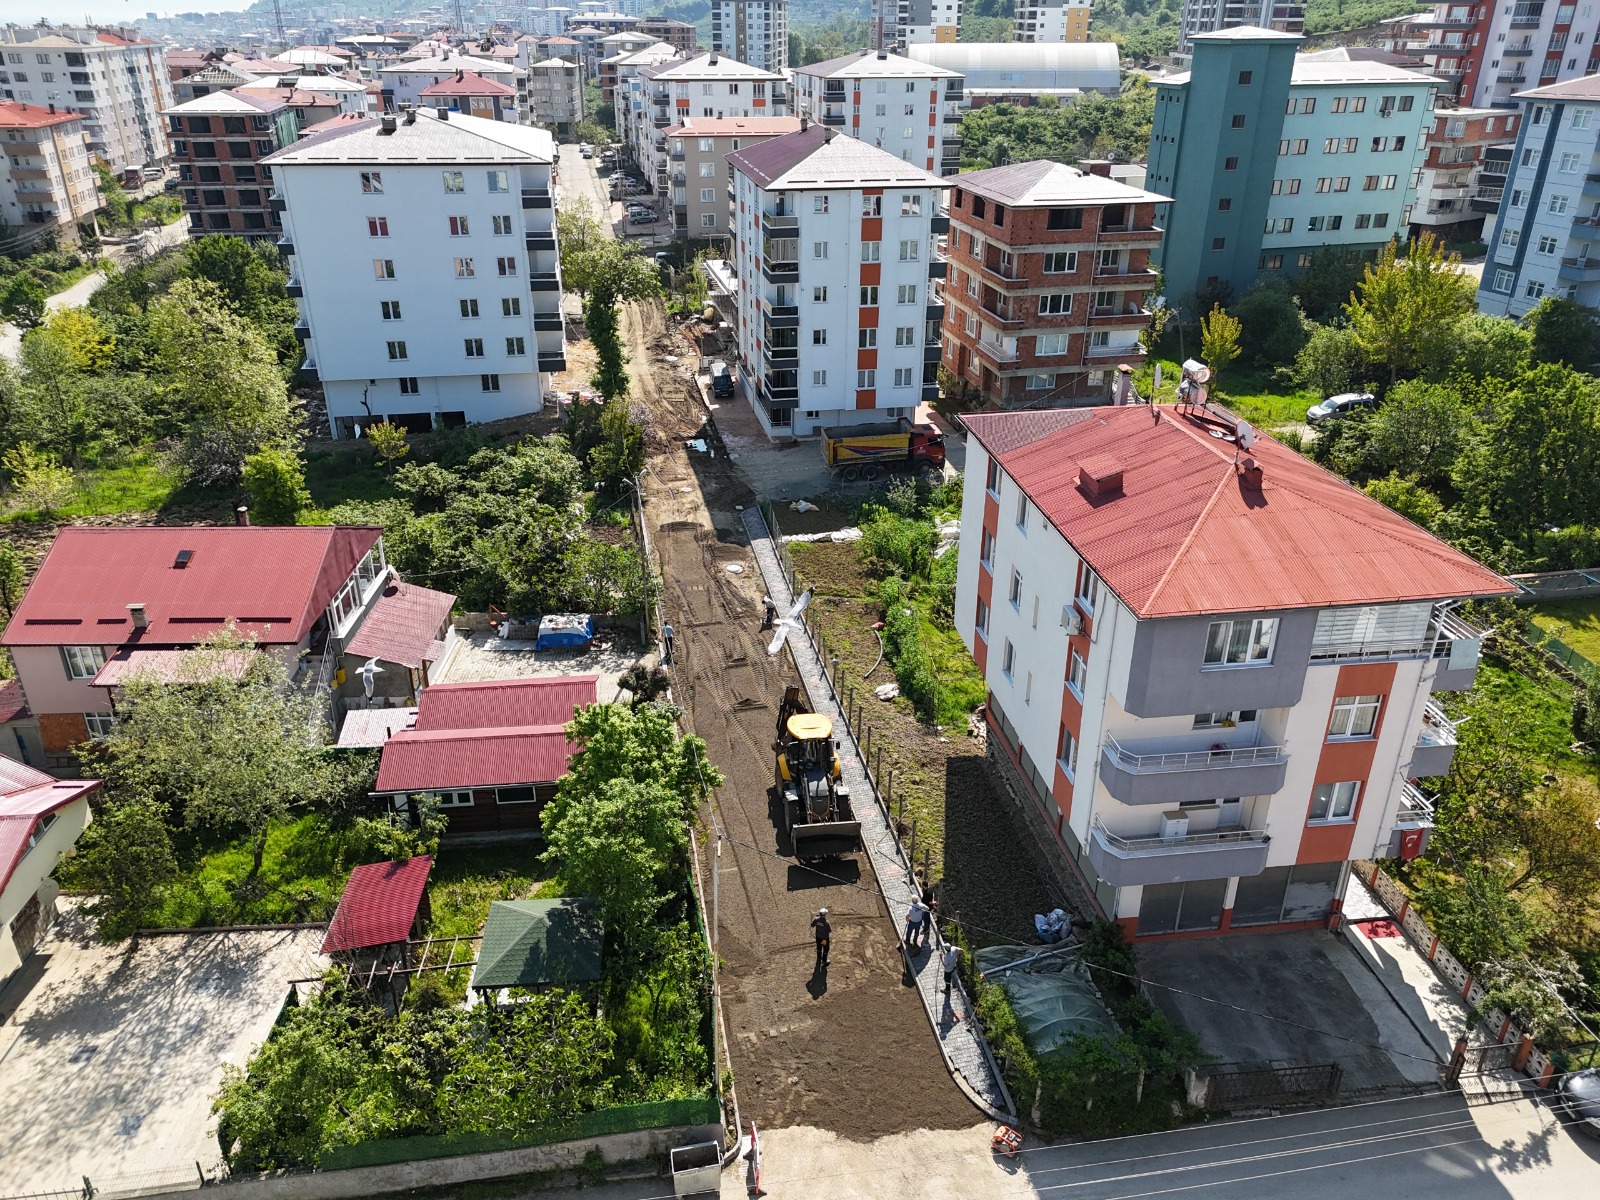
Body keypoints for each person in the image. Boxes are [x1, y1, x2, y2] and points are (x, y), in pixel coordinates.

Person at [942, 943, 961, 1010]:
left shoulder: (946, 957)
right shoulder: (954, 948)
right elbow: (961, 950)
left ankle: (947, 989)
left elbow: (944, 964)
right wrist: (956, 955)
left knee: (946, 979)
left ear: (946, 949)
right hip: (953, 966)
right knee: (948, 977)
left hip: (948, 969)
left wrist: (941, 957)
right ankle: (948, 987)